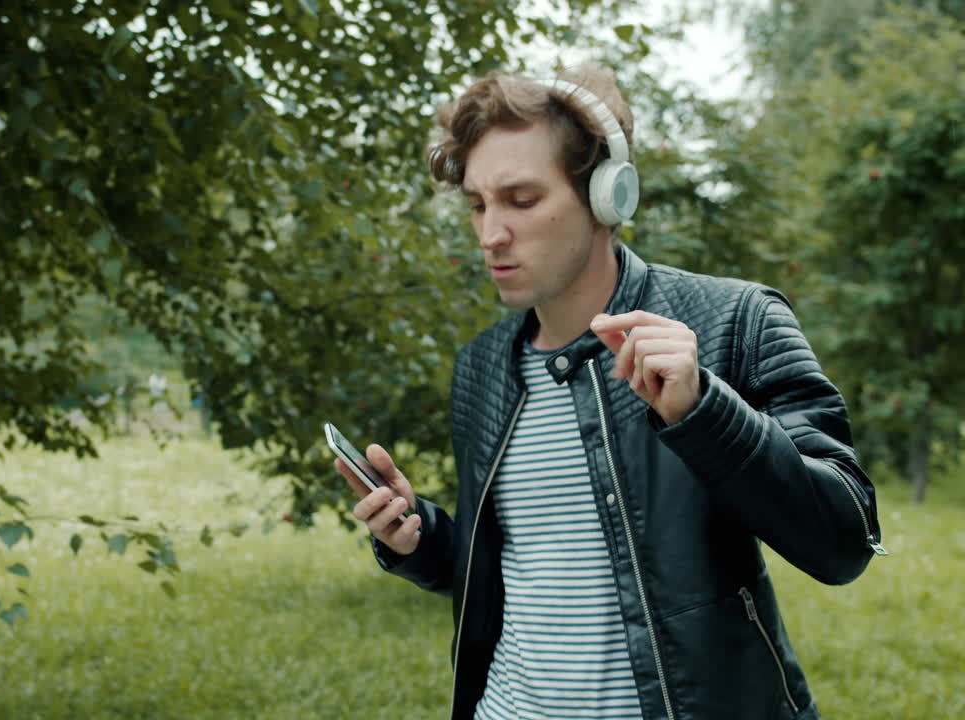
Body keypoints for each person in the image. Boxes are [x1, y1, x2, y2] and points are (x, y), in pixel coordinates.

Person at [333, 64, 884, 720]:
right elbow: (516, 569)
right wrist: (417, 537)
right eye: (478, 204)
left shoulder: (736, 321)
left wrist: (705, 412)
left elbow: (844, 542)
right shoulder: (481, 368)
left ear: (607, 195)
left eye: (521, 200)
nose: (489, 234)